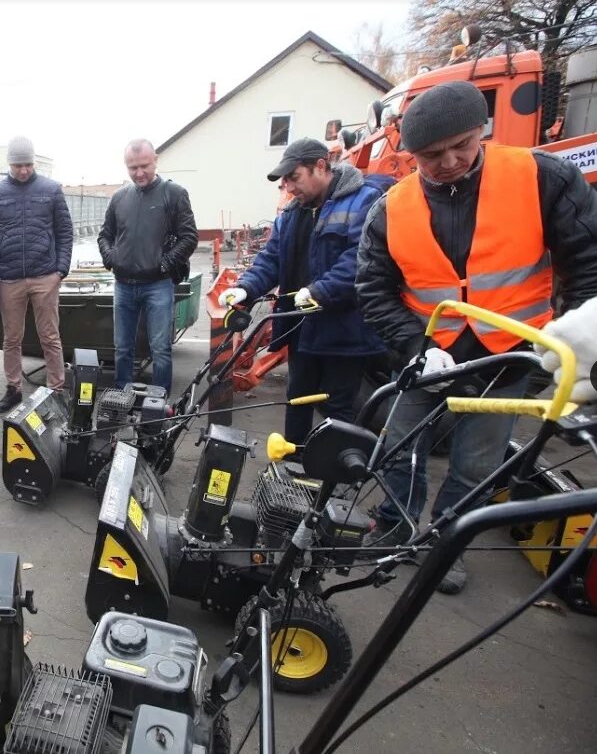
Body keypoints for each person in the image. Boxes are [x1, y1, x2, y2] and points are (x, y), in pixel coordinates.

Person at [356, 81, 597, 594]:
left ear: (481, 130)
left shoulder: (542, 178)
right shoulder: (390, 208)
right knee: (398, 448)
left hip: (510, 356)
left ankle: (444, 544)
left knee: (476, 464)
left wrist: (573, 335)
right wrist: (415, 349)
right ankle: (394, 527)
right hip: (429, 355)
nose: (447, 162)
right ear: (410, 154)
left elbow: (589, 264)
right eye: (430, 155)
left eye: (460, 147)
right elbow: (373, 289)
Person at [224, 138, 386, 444]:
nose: (289, 187)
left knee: (339, 408)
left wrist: (319, 291)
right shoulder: (291, 213)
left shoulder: (363, 201)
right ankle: (293, 464)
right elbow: (271, 259)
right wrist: (246, 288)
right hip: (302, 329)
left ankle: (333, 480)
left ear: (320, 167)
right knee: (298, 398)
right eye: (285, 182)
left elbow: (360, 259)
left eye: (294, 178)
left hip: (344, 331)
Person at [0, 136, 73, 412]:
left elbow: (65, 231)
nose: (23, 170)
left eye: (28, 165)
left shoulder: (51, 190)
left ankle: (57, 390)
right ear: (9, 163)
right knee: (12, 338)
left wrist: (60, 270)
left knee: (50, 336)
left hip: (45, 275)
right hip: (10, 277)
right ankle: (14, 389)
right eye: (18, 165)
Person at [98, 139, 198, 391]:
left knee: (160, 348)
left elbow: (189, 237)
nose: (139, 173)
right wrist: (111, 259)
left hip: (158, 285)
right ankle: (122, 394)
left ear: (156, 160)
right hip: (123, 285)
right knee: (122, 347)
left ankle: (159, 398)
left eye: (144, 165)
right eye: (132, 168)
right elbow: (105, 235)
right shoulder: (120, 197)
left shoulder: (174, 194)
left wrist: (163, 264)